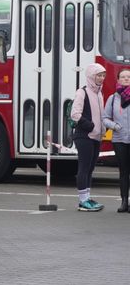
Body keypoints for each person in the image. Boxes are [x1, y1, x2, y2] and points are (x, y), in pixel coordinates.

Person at [70, 63, 107, 212]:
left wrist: (103, 129)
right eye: (99, 75)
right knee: (84, 168)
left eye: (103, 75)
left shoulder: (99, 93)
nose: (101, 78)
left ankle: (87, 197)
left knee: (90, 168)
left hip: (96, 137)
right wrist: (90, 126)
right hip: (84, 135)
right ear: (91, 75)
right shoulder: (82, 92)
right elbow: (75, 114)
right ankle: (82, 201)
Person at [102, 68, 130, 212]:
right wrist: (115, 126)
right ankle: (124, 202)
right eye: (123, 77)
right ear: (118, 80)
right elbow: (105, 118)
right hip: (119, 139)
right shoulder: (113, 98)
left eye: (128, 77)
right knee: (124, 172)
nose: (126, 79)